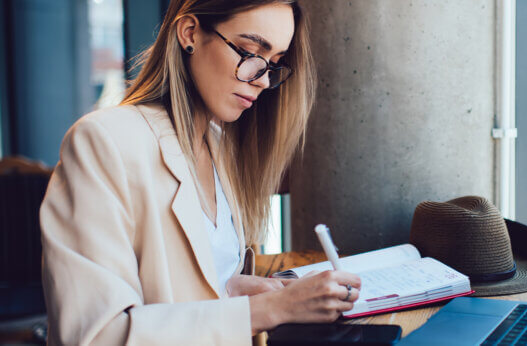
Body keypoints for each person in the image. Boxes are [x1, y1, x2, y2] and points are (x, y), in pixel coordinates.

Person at [39, 0, 361, 344]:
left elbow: (191, 290)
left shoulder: (221, 147)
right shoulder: (105, 141)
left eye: (275, 63)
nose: (264, 79)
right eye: (250, 51)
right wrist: (272, 309)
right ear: (189, 33)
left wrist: (235, 291)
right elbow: (95, 335)